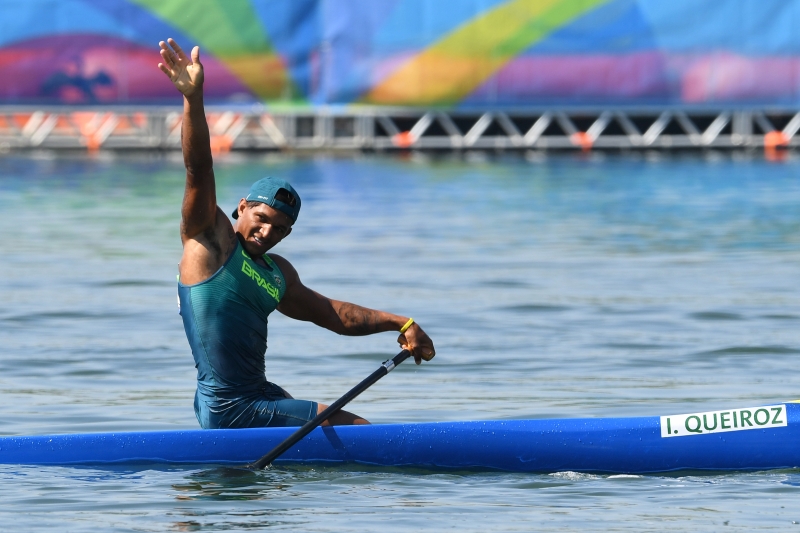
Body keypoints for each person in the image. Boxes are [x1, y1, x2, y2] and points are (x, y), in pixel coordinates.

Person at [157, 38, 435, 429]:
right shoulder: (210, 240)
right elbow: (198, 170)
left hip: (259, 395)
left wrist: (400, 323)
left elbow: (332, 315)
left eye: (281, 229)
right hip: (230, 406)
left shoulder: (277, 273)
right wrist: (193, 97)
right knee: (359, 431)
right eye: (262, 218)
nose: (268, 231)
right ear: (241, 207)